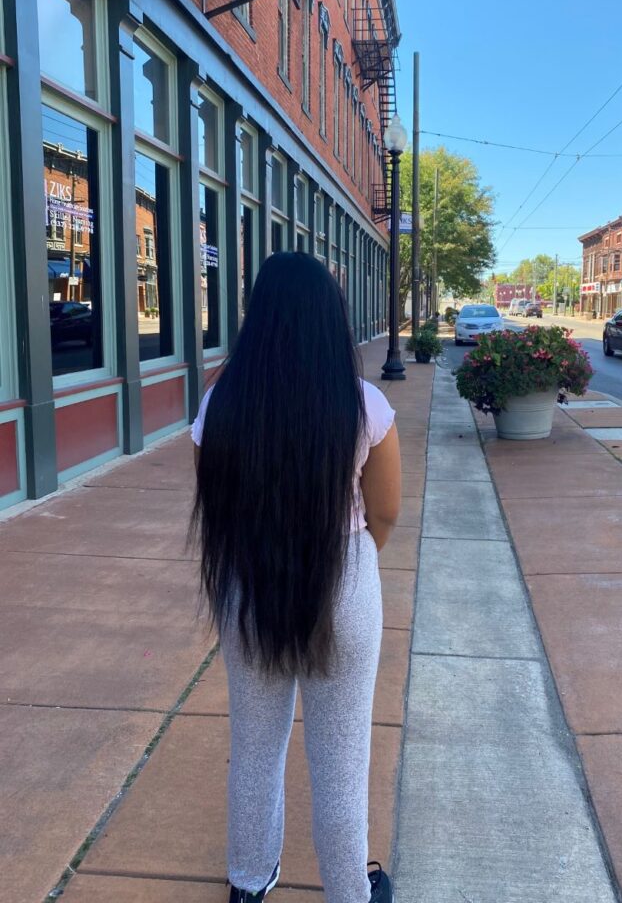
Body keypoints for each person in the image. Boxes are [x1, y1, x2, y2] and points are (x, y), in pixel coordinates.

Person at [190, 253, 401, 903]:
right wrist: (353, 562)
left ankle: (249, 883)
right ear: (327, 321)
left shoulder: (220, 404)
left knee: (255, 748)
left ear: (259, 321)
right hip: (342, 579)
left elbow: (218, 507)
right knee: (341, 761)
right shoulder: (362, 403)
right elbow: (385, 512)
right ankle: (351, 892)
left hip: (247, 584)